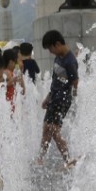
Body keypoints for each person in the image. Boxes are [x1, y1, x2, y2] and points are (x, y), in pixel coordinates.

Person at [37, 30, 78, 168]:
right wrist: (48, 97)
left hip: (62, 100)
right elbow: (55, 80)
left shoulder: (70, 60)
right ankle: (40, 158)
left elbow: (75, 82)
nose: (50, 52)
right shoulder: (58, 58)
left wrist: (68, 97)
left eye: (50, 48)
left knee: (54, 130)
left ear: (58, 44)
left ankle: (68, 159)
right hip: (54, 98)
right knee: (46, 129)